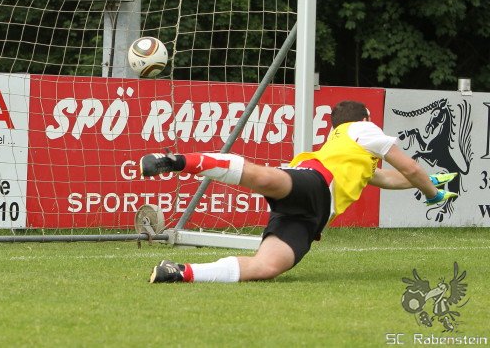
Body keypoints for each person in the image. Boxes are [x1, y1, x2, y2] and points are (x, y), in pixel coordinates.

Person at [140, 100, 458, 284]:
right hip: (316, 183)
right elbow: (410, 168)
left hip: (311, 215)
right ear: (366, 118)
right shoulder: (363, 128)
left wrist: (431, 180)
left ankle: (179, 272)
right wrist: (432, 195)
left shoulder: (354, 152)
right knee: (262, 177)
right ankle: (176, 161)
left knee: (267, 267)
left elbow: (390, 178)